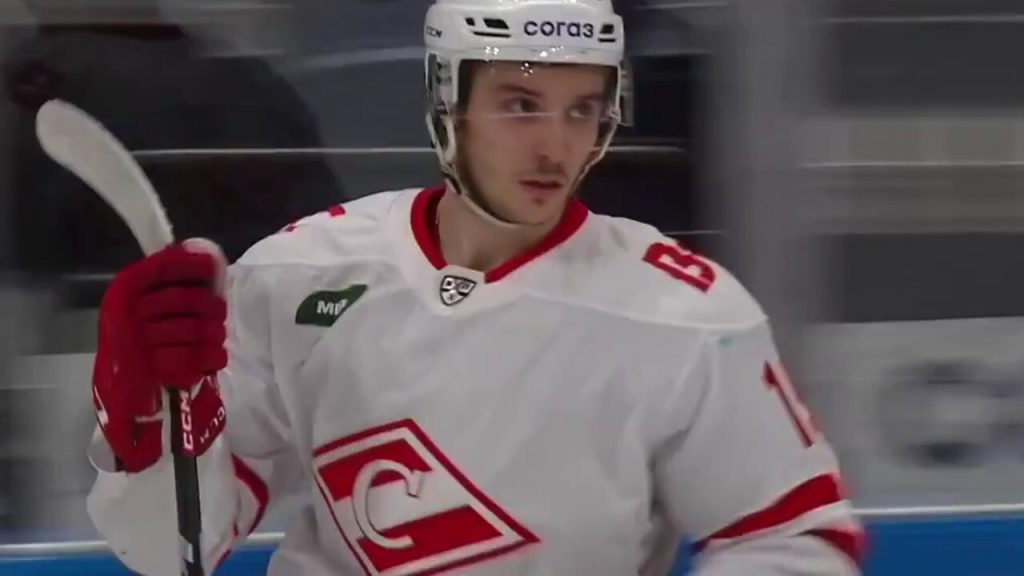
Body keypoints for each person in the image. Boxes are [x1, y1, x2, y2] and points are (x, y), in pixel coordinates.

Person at [85, 0, 865, 574]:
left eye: (583, 110)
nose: (555, 144)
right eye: (520, 106)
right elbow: (172, 551)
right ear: (445, 105)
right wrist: (146, 415)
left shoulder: (686, 316)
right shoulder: (299, 275)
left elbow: (793, 539)